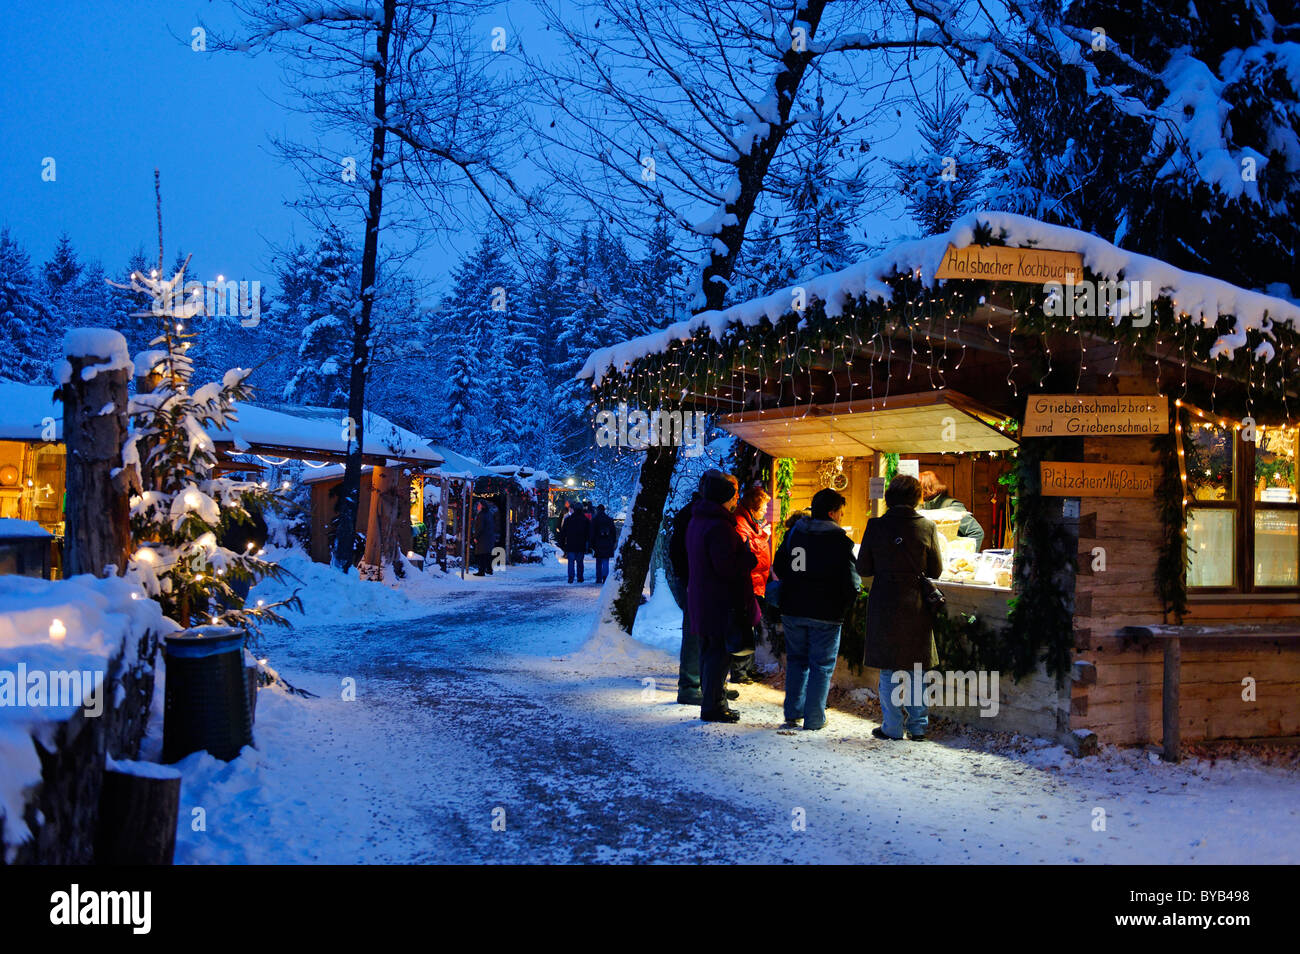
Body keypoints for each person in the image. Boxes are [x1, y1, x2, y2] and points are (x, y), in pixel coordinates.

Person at [856, 474, 944, 742]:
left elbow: (863, 568)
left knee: (889, 667)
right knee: (917, 667)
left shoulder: (875, 526)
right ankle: (917, 727)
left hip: (884, 602)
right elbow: (935, 570)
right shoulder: (927, 526)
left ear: (890, 497)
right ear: (917, 497)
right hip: (915, 603)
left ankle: (892, 727)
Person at [772, 488, 860, 731]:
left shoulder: (794, 534)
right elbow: (852, 583)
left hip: (793, 608)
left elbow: (779, 567)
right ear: (832, 513)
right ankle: (813, 718)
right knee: (821, 665)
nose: (841, 516)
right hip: (826, 613)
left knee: (797, 661)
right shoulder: (840, 542)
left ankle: (792, 712)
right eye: (841, 512)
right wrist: (844, 604)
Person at [686, 470, 757, 723]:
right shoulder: (720, 526)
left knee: (709, 652)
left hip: (702, 597)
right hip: (718, 601)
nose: (735, 500)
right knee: (718, 654)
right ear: (724, 497)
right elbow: (726, 567)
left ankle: (713, 701)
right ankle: (714, 706)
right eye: (733, 495)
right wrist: (748, 557)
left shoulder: (699, 519)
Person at [732, 483, 772, 684]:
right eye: (764, 506)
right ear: (754, 507)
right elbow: (746, 552)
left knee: (751, 626)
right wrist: (763, 536)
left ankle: (747, 667)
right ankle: (739, 671)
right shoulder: (741, 522)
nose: (766, 510)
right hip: (748, 583)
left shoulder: (753, 522)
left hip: (758, 582)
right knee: (745, 627)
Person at [918, 470, 985, 550]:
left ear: (926, 488)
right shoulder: (922, 506)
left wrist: (966, 558)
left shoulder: (952, 507)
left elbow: (977, 532)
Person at [558, 501, 591, 583]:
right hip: (581, 544)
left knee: (571, 562)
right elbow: (589, 533)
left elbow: (563, 532)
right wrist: (588, 543)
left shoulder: (568, 519)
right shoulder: (585, 520)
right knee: (580, 562)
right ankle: (580, 577)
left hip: (571, 543)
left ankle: (571, 578)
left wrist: (562, 543)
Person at [590, 504, 617, 584]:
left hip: (598, 542)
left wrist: (592, 544)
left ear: (598, 510)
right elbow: (613, 532)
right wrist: (613, 542)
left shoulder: (595, 520)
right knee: (606, 561)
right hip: (608, 542)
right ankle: (605, 578)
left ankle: (598, 578)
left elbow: (592, 533)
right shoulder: (609, 519)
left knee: (599, 561)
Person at [471, 499, 499, 576]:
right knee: (487, 555)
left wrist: (476, 537)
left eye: (479, 505)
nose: (477, 506)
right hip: (488, 538)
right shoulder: (489, 514)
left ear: (482, 506)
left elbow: (480, 527)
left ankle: (481, 571)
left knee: (481, 555)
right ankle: (489, 569)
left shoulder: (481, 515)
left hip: (482, 539)